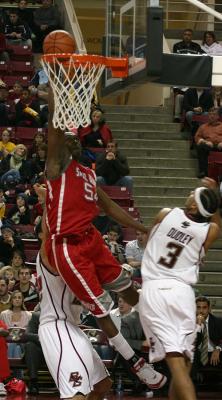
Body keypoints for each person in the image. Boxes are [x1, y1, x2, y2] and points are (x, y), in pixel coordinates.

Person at [37, 85, 167, 389]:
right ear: (62, 147)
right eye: (67, 139)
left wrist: (146, 229)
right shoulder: (56, 168)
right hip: (67, 247)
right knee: (104, 308)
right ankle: (135, 363)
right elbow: (55, 129)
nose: (72, 140)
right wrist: (57, 97)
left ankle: (158, 339)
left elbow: (111, 209)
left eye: (75, 137)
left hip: (90, 238)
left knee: (130, 289)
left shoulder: (88, 175)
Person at [139, 178, 221, 400]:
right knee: (184, 362)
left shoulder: (166, 213)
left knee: (175, 363)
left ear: (194, 206)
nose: (189, 194)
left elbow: (146, 242)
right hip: (183, 293)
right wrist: (212, 196)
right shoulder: (209, 230)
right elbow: (215, 219)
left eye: (193, 194)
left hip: (157, 290)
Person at [36, 235, 112, 400]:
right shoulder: (50, 253)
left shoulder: (74, 258)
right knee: (76, 394)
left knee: (103, 384)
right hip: (57, 325)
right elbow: (49, 231)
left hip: (72, 327)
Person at [195, 296, 222, 369]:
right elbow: (192, 343)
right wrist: (198, 326)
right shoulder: (190, 323)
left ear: (209, 309)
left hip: (213, 353)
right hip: (196, 354)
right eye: (198, 307)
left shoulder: (218, 322)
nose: (201, 310)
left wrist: (218, 348)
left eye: (204, 307)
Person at [194, 107, 222, 178]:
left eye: (214, 114)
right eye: (210, 114)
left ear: (218, 116)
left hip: (220, 145)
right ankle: (203, 172)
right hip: (209, 145)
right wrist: (205, 142)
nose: (211, 116)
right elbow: (197, 137)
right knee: (200, 147)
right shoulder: (203, 126)